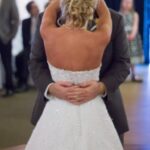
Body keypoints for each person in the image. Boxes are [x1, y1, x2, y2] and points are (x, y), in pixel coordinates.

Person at [25, 0, 125, 149]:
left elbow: (122, 63)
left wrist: (100, 87)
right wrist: (50, 88)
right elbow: (35, 62)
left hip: (103, 107)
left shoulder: (47, 27)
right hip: (83, 110)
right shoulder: (103, 31)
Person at [15, 1, 39, 92]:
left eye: (36, 7)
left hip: (42, 46)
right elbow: (25, 38)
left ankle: (24, 82)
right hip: (29, 46)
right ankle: (22, 82)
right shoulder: (25, 22)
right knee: (20, 57)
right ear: (29, 10)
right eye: (33, 7)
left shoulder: (43, 19)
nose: (36, 9)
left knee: (27, 56)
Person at [120, 0, 143, 82]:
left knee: (133, 58)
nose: (127, 4)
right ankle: (125, 74)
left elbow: (135, 26)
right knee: (124, 58)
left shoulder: (135, 14)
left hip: (132, 39)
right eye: (125, 2)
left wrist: (132, 34)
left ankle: (134, 74)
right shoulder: (119, 15)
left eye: (129, 2)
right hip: (122, 38)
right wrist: (124, 35)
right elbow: (119, 27)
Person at [0, 0, 19, 97]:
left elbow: (16, 18)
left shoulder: (9, 1)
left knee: (7, 63)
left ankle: (9, 87)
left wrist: (11, 35)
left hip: (4, 38)